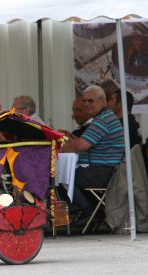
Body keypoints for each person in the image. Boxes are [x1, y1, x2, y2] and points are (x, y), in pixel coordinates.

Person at [61, 85, 125, 228]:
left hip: (102, 171)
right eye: (84, 101)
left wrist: (59, 149)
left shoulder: (103, 120)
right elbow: (85, 143)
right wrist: (72, 141)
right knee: (64, 174)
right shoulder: (103, 118)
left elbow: (81, 146)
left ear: (102, 100)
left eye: (91, 101)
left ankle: (87, 212)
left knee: (60, 175)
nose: (86, 104)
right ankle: (87, 210)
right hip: (102, 169)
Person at [101, 80, 142, 148]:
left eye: (111, 100)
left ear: (120, 104)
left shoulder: (125, 126)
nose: (108, 103)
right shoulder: (129, 122)